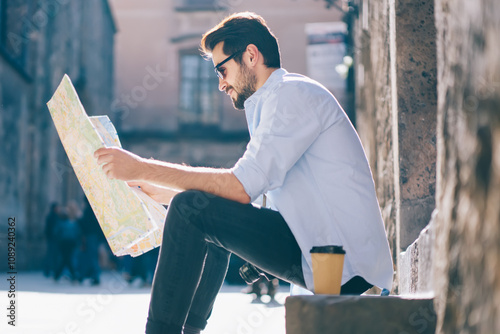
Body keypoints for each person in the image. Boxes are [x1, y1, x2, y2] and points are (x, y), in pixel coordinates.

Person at [94, 12, 393, 334]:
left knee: (191, 210)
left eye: (222, 69)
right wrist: (158, 187)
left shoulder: (291, 95)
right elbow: (251, 191)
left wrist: (141, 167)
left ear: (251, 55)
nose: (221, 83)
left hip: (343, 264)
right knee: (196, 207)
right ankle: (187, 329)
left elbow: (239, 187)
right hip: (324, 255)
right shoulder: (273, 101)